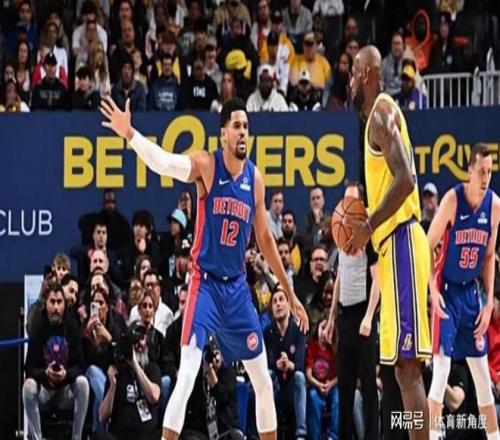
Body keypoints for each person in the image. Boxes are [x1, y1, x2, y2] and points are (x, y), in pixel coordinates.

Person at [100, 95, 309, 440]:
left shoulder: (255, 179)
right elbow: (164, 163)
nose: (243, 132)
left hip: (237, 288)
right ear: (223, 133)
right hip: (205, 284)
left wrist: (290, 292)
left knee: (262, 379)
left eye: (246, 126)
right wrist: (131, 135)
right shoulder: (207, 165)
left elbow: (265, 241)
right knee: (186, 375)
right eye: (237, 126)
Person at [347, 45, 431, 439]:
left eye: (353, 73)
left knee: (409, 369)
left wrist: (369, 225)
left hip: (401, 242)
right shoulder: (378, 118)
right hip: (393, 244)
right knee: (401, 370)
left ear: (366, 73)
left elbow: (407, 180)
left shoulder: (381, 114)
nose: (349, 82)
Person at [427, 143, 500, 439]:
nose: (485, 178)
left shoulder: (494, 206)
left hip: (471, 296)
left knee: (483, 379)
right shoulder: (452, 200)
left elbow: (489, 256)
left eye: (489, 172)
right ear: (469, 171)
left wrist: (488, 303)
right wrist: (432, 290)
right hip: (447, 293)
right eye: (480, 171)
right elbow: (426, 247)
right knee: (440, 374)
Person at [326, 181, 380, 440]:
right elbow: (340, 278)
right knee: (344, 388)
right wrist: (331, 319)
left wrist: (369, 316)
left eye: (352, 201)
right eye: (344, 201)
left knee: (368, 386)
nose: (347, 207)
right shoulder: (341, 235)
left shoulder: (369, 238)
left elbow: (378, 280)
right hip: (345, 317)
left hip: (363, 315)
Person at [22, 284, 89, 440]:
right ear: (46, 303)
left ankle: (76, 437)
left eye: (59, 302)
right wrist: (45, 373)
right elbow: (29, 368)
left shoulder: (72, 326)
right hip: (44, 391)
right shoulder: (37, 326)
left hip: (65, 392)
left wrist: (66, 374)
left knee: (83, 383)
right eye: (52, 302)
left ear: (65, 305)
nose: (56, 307)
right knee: (28, 387)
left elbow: (80, 366)